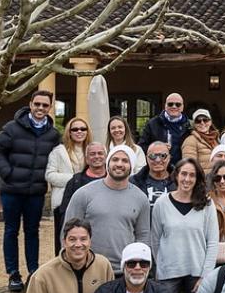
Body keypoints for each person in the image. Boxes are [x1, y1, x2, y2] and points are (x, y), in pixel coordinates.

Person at [0, 89, 61, 292]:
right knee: (11, 231)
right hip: (11, 190)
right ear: (30, 105)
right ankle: (13, 274)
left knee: (32, 232)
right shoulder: (12, 128)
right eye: (37, 104)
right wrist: (8, 172)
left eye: (45, 105)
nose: (40, 108)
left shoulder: (53, 134)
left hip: (36, 192)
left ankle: (33, 271)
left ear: (49, 108)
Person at [150, 158, 218, 293]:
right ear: (176, 175)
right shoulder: (162, 203)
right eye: (184, 174)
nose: (187, 179)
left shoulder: (206, 204)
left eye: (192, 175)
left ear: (197, 178)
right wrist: (161, 265)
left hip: (197, 271)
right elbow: (155, 239)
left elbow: (212, 241)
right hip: (168, 272)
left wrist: (205, 274)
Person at [65, 145, 151, 276]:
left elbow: (143, 236)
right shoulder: (84, 194)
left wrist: (138, 264)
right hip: (89, 268)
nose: (119, 164)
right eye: (115, 159)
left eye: (125, 160)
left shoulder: (141, 198)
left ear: (131, 166)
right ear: (107, 163)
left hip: (124, 271)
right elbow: (67, 231)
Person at [46, 117, 91, 255]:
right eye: (75, 129)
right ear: (69, 132)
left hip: (87, 202)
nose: (79, 131)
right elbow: (50, 175)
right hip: (63, 202)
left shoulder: (92, 150)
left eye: (83, 129)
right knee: (63, 239)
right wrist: (75, 180)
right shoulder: (58, 151)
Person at [57, 142, 107, 233]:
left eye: (100, 153)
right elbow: (65, 212)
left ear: (106, 157)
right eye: (92, 154)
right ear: (86, 159)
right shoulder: (75, 182)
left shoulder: (114, 182)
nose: (96, 156)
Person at [138, 93, 192, 166]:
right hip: (158, 167)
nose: (174, 106)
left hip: (182, 168)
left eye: (178, 104)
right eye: (170, 104)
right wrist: (158, 147)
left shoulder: (190, 125)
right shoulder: (153, 123)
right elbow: (141, 147)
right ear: (165, 106)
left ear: (182, 107)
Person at [131, 142, 177, 207]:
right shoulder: (134, 183)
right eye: (152, 156)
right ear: (147, 158)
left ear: (169, 157)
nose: (158, 160)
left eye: (162, 156)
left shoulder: (179, 182)